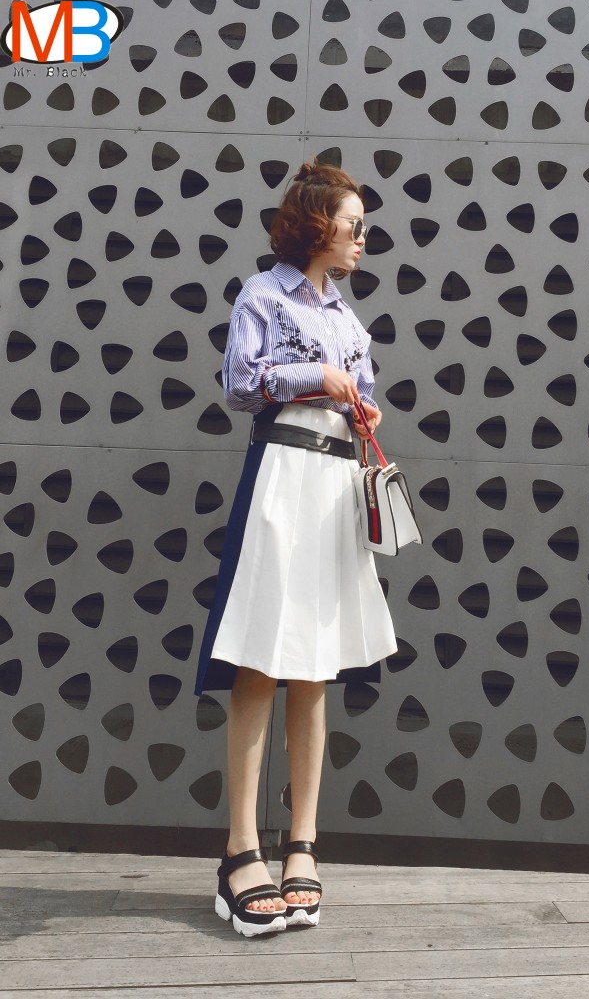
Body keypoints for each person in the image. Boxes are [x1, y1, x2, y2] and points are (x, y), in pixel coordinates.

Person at [194, 160, 397, 937]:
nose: (362, 239)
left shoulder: (349, 320)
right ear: (317, 226)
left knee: (315, 665)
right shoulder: (263, 295)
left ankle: (302, 844)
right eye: (354, 226)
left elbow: (363, 395)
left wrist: (362, 407)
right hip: (282, 476)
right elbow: (239, 383)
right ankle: (240, 850)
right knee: (261, 659)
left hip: (335, 485)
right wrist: (318, 377)